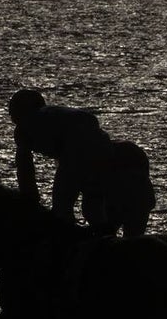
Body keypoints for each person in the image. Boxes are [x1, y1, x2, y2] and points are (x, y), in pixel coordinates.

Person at [8, 89, 155, 237]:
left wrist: (30, 198)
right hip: (101, 143)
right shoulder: (56, 114)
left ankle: (72, 238)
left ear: (18, 112)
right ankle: (103, 235)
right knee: (92, 205)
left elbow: (25, 167)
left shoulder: (26, 126)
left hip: (78, 150)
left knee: (65, 208)